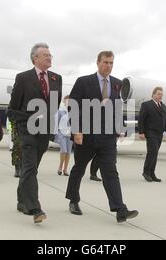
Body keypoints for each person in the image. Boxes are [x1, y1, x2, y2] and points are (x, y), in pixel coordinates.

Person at [65, 51, 139, 223]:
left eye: (111, 63)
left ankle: (120, 209)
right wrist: (76, 130)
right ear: (98, 62)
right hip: (86, 136)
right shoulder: (83, 82)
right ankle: (73, 200)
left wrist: (120, 128)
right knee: (79, 168)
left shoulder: (118, 84)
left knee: (110, 172)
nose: (109, 66)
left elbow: (118, 108)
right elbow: (73, 107)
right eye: (105, 62)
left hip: (107, 137)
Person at [8, 43, 62, 224]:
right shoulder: (23, 78)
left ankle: (21, 200)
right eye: (45, 55)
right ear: (35, 59)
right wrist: (26, 121)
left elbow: (54, 104)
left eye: (50, 55)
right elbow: (13, 108)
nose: (49, 57)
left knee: (31, 168)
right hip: (27, 129)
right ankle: (34, 207)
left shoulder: (56, 78)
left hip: (45, 130)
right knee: (30, 166)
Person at [138, 87, 166, 183]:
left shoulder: (163, 106)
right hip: (150, 132)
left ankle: (152, 173)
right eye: (158, 94)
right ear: (153, 94)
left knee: (155, 153)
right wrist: (141, 132)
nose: (160, 96)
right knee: (152, 152)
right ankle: (146, 172)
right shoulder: (146, 105)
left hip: (159, 133)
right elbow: (141, 119)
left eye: (161, 94)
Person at [55, 96, 73, 177]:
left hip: (70, 133)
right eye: (67, 100)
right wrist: (56, 133)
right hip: (61, 132)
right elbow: (56, 122)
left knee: (68, 152)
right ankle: (60, 166)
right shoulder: (60, 111)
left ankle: (65, 169)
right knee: (64, 151)